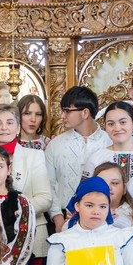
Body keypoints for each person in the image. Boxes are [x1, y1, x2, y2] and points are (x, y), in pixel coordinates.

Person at [0, 105, 51, 256]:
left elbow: (45, 199)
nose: (4, 128)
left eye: (9, 122)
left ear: (18, 128)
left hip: (31, 234)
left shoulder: (34, 156)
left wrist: (12, 210)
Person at [45, 86, 112, 233]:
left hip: (103, 219)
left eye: (67, 111)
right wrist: (57, 218)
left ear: (85, 112)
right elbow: (49, 184)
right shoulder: (56, 145)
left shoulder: (109, 142)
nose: (62, 116)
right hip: (64, 219)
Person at [95, 161, 133, 230]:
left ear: (124, 188)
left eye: (114, 183)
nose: (108, 187)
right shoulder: (82, 211)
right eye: (102, 183)